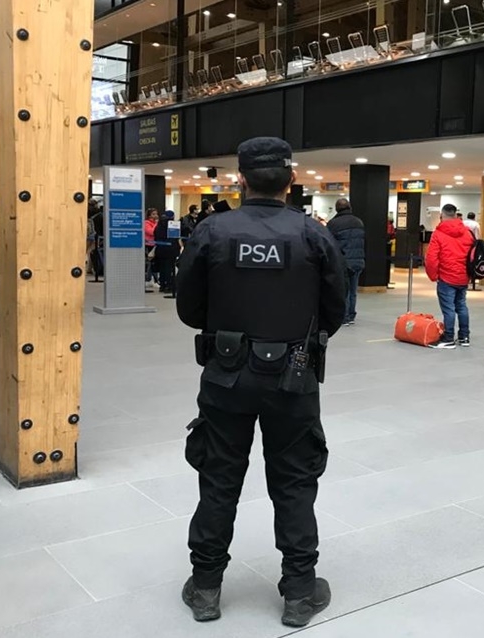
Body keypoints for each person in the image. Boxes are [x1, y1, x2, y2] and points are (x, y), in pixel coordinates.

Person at [175, 137, 346, 628]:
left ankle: (206, 588)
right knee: (295, 481)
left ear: (240, 178)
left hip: (225, 375)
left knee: (219, 478)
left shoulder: (212, 231)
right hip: (294, 375)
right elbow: (335, 310)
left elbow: (189, 308)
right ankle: (299, 592)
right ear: (291, 180)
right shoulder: (314, 235)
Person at [424, 204, 474, 349]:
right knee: (462, 306)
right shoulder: (467, 233)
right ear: (455, 215)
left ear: (442, 215)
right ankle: (464, 337)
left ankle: (448, 338)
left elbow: (431, 258)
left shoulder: (438, 233)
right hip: (463, 277)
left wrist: (433, 276)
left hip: (446, 277)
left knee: (448, 309)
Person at [326, 198, 365, 326]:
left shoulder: (334, 224)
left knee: (344, 291)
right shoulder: (359, 222)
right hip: (359, 261)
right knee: (353, 291)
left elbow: (329, 243)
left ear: (337, 209)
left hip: (343, 262)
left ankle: (345, 317)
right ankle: (351, 315)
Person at [154, 210, 181, 294]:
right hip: (171, 250)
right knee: (169, 268)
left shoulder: (158, 226)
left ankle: (162, 285)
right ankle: (168, 285)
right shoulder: (173, 226)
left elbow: (155, 236)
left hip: (160, 249)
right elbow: (175, 238)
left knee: (162, 268)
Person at [144, 208, 160, 291]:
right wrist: (156, 224)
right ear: (149, 215)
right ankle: (149, 279)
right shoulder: (146, 223)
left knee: (155, 263)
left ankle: (155, 279)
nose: (155, 215)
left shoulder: (156, 223)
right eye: (153, 214)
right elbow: (151, 232)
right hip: (148, 245)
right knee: (150, 262)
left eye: (156, 214)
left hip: (155, 244)